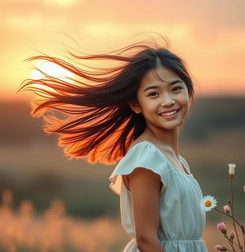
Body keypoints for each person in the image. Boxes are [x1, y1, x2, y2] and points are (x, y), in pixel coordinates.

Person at [18, 36, 208, 252]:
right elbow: (146, 240)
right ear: (136, 104)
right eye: (153, 94)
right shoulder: (148, 158)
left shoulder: (176, 160)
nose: (168, 101)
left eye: (176, 89)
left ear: (189, 92)